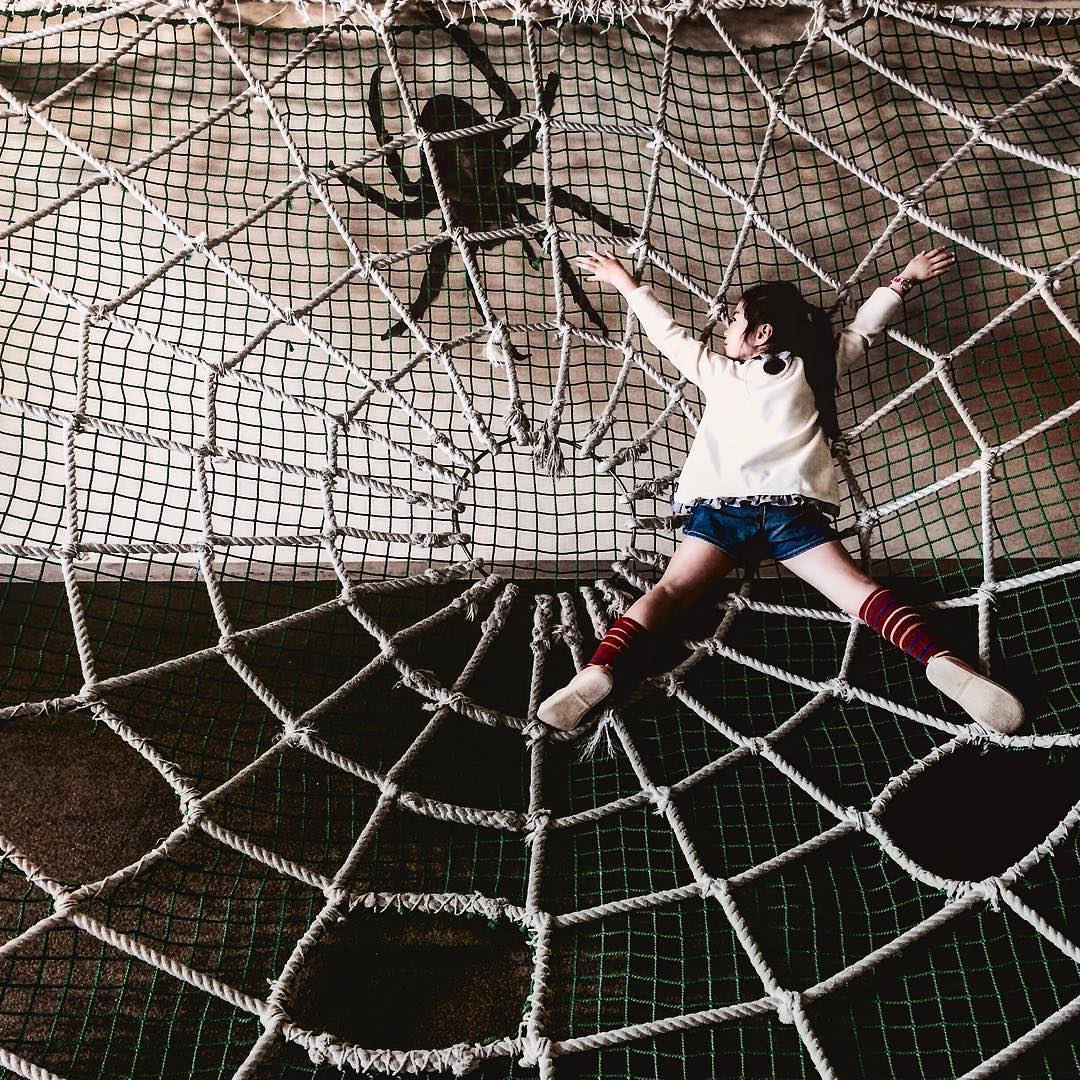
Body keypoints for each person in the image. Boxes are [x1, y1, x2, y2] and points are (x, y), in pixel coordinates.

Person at [537, 247, 1025, 737]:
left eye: (734, 320)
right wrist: (903, 281)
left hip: (724, 512)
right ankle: (940, 660)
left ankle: (598, 668)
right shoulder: (814, 368)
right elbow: (862, 331)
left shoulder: (721, 372)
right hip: (792, 513)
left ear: (761, 333)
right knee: (860, 594)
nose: (725, 327)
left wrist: (624, 282)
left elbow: (666, 334)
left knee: (669, 592)